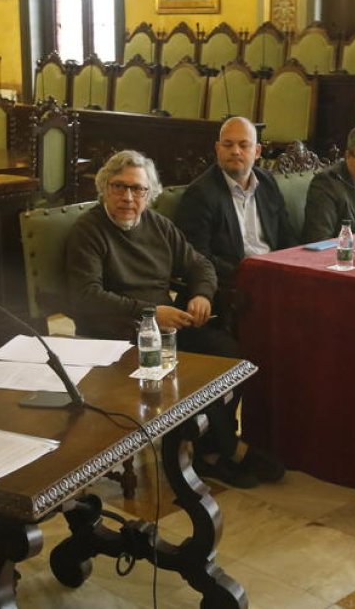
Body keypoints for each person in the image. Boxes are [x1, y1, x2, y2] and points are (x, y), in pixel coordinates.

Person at [65, 150, 282, 487]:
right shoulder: (89, 230)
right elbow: (87, 296)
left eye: (137, 189)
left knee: (229, 356)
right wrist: (150, 312)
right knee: (189, 372)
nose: (127, 197)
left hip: (164, 328)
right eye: (119, 187)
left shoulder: (158, 225)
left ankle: (211, 448)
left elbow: (200, 265)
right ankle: (224, 450)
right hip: (116, 334)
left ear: (150, 194)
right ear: (104, 188)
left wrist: (201, 295)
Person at [174, 117, 296, 316]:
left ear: (257, 151)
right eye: (228, 144)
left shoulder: (267, 183)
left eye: (243, 145)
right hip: (233, 286)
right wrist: (251, 272)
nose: (235, 151)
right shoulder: (201, 194)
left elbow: (286, 236)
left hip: (273, 278)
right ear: (218, 149)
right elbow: (198, 257)